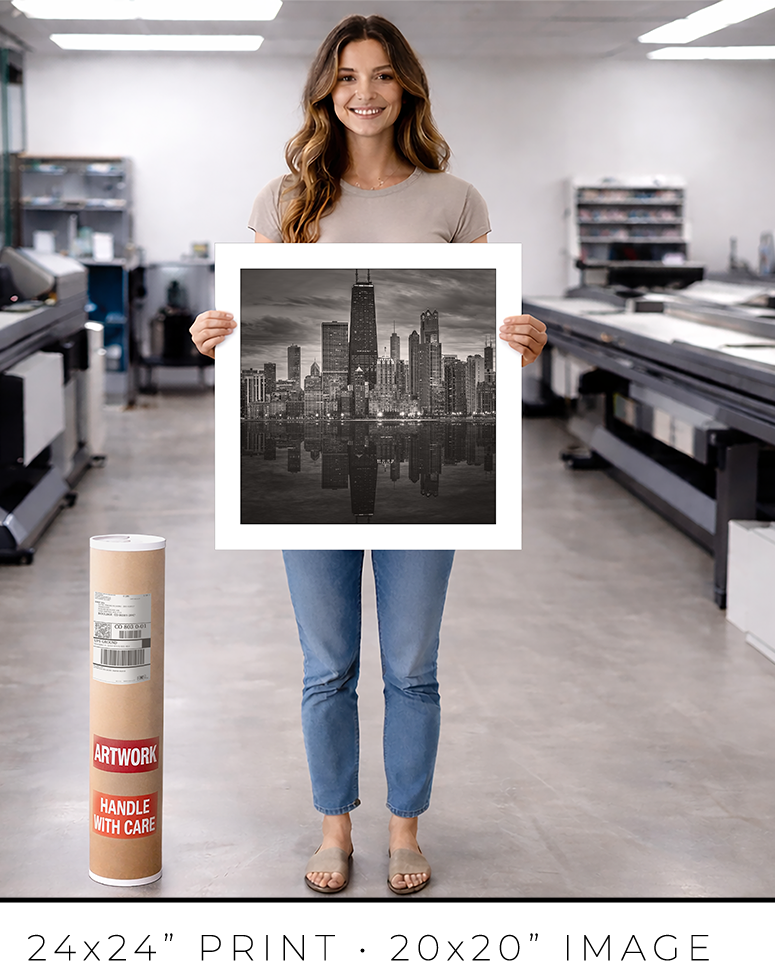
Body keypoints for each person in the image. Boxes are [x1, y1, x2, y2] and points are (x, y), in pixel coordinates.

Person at [191, 14, 547, 895]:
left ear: (407, 88)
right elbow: (247, 322)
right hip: (310, 489)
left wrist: (520, 335)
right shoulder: (284, 200)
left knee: (413, 666)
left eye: (383, 75)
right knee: (328, 666)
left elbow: (484, 323)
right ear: (325, 90)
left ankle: (404, 829)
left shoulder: (456, 199)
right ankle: (334, 825)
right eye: (347, 76)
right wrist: (214, 333)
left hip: (425, 475)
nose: (365, 93)